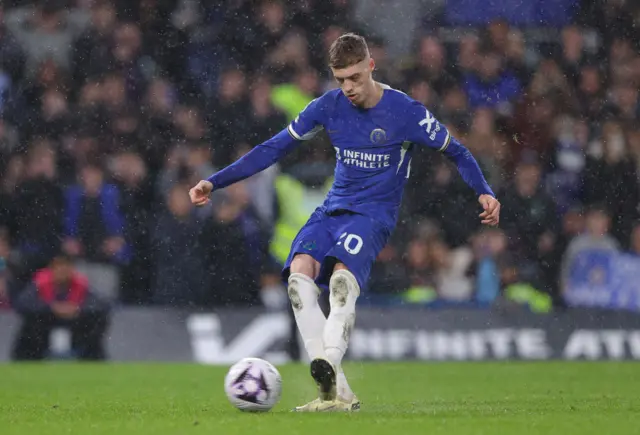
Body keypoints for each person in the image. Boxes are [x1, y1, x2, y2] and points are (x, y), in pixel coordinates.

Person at [189, 33, 501, 412]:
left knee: (339, 279)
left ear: (371, 66)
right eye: (340, 79)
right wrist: (214, 181)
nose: (348, 87)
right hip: (333, 208)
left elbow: (458, 151)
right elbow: (272, 148)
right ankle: (338, 395)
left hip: (373, 215)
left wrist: (483, 191)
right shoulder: (328, 107)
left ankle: (329, 365)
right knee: (298, 278)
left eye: (355, 77)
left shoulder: (406, 112)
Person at [11, 253, 110, 361]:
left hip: (75, 325)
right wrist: (51, 308)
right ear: (51, 269)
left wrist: (78, 308)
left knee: (97, 321)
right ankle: (28, 358)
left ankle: (90, 357)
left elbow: (102, 305)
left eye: (66, 267)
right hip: (45, 326)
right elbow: (22, 304)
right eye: (58, 267)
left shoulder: (81, 284)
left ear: (72, 269)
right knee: (30, 322)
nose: (62, 271)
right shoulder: (40, 284)